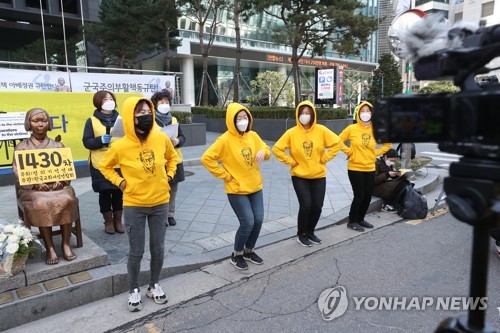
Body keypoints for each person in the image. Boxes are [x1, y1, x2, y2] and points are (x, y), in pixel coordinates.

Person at [99, 96, 178, 312]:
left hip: (161, 202)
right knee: (136, 251)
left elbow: (173, 158)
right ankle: (133, 289)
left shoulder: (161, 138)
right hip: (134, 204)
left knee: (158, 248)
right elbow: (104, 167)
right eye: (140, 112)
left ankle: (154, 285)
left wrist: (169, 176)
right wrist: (121, 182)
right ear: (130, 117)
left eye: (147, 111)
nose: (145, 115)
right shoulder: (120, 145)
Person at [201, 102, 270, 270]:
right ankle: (237, 254)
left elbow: (266, 149)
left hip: (255, 186)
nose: (242, 120)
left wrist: (263, 152)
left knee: (259, 220)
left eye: (245, 117)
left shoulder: (253, 135)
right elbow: (206, 158)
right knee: (248, 222)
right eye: (239, 118)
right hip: (236, 189)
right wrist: (225, 175)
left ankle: (249, 250)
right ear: (231, 120)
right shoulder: (224, 140)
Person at [273, 100, 350, 247]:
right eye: (302, 113)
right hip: (299, 176)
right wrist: (290, 162)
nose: (305, 116)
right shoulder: (291, 133)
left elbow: (337, 142)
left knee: (318, 206)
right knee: (306, 205)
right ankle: (301, 234)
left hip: (318, 175)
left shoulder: (321, 130)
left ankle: (310, 232)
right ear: (297, 115)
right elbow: (277, 149)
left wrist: (326, 158)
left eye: (308, 113)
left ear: (313, 114)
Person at [13, 108, 79, 265]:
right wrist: (36, 183)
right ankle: (50, 248)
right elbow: (18, 171)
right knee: (41, 204)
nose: (40, 124)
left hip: (58, 187)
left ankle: (65, 244)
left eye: (44, 121)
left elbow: (65, 167)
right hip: (34, 190)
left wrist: (61, 180)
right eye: (36, 121)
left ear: (49, 123)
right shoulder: (22, 147)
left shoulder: (57, 145)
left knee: (67, 199)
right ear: (28, 124)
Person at [339, 101, 392, 232]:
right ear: (358, 113)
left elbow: (388, 144)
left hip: (369, 167)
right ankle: (352, 221)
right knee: (359, 195)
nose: (365, 114)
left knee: (368, 195)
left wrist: (375, 153)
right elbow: (337, 141)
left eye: (368, 111)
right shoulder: (351, 129)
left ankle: (361, 218)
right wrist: (349, 151)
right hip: (355, 167)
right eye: (362, 111)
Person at [82, 90, 124, 234]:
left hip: (119, 162)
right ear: (98, 102)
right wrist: (100, 140)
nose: (108, 100)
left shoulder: (121, 119)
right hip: (100, 163)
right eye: (105, 98)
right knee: (105, 192)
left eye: (111, 98)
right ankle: (108, 221)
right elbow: (86, 142)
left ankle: (118, 220)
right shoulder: (91, 120)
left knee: (119, 192)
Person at [151, 90, 185, 226]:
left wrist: (177, 141)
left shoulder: (174, 120)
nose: (164, 104)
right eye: (161, 102)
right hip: (158, 161)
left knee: (173, 189)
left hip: (174, 160)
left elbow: (183, 137)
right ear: (155, 104)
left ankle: (170, 214)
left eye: (167, 102)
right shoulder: (150, 120)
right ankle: (160, 216)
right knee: (160, 190)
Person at [374, 148, 410, 213]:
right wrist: (387, 174)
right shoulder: (376, 163)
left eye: (394, 161)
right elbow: (374, 180)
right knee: (400, 185)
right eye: (392, 160)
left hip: (385, 183)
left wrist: (397, 174)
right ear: (385, 157)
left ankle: (403, 203)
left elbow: (391, 175)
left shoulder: (389, 163)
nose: (393, 162)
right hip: (375, 187)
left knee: (406, 182)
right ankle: (387, 205)